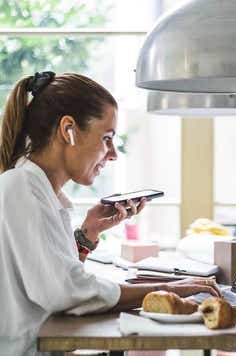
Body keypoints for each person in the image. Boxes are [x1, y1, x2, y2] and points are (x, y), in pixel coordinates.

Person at [0, 72, 220, 356]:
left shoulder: (37, 191)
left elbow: (55, 279)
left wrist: (88, 234)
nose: (113, 154)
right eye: (107, 138)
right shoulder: (22, 188)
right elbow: (66, 293)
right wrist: (170, 289)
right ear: (68, 129)